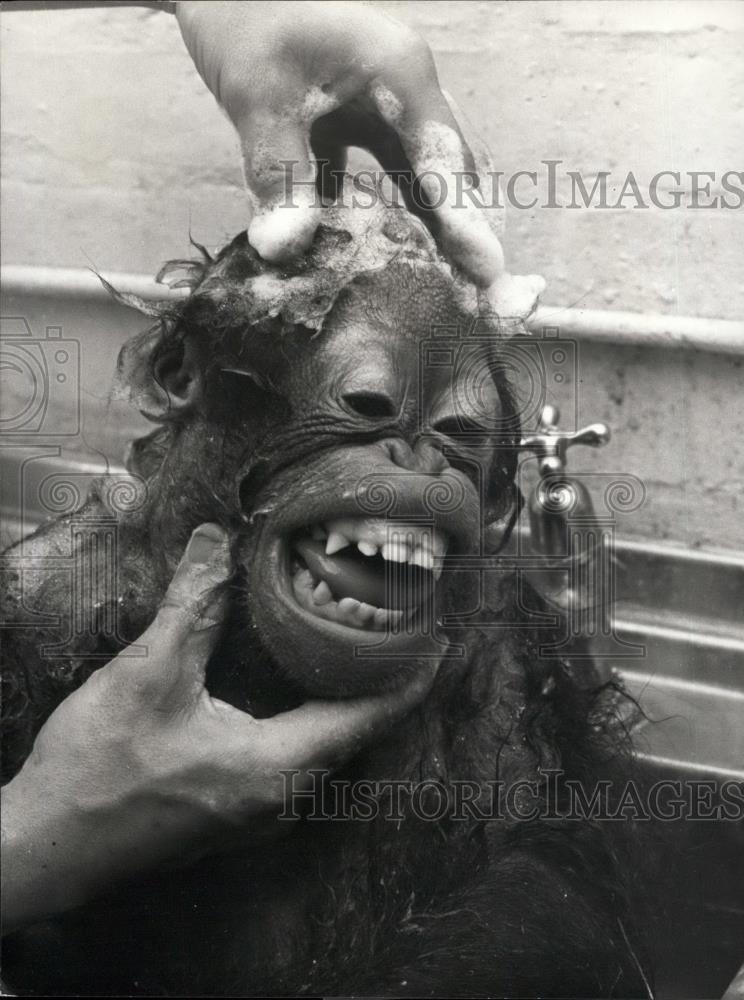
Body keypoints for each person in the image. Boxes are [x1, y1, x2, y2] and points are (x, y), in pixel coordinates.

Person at [1, 0, 493, 933]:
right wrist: (46, 830)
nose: (421, 462)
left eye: (464, 439)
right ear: (184, 379)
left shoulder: (475, 635)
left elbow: (540, 886)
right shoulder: (43, 607)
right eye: (366, 406)